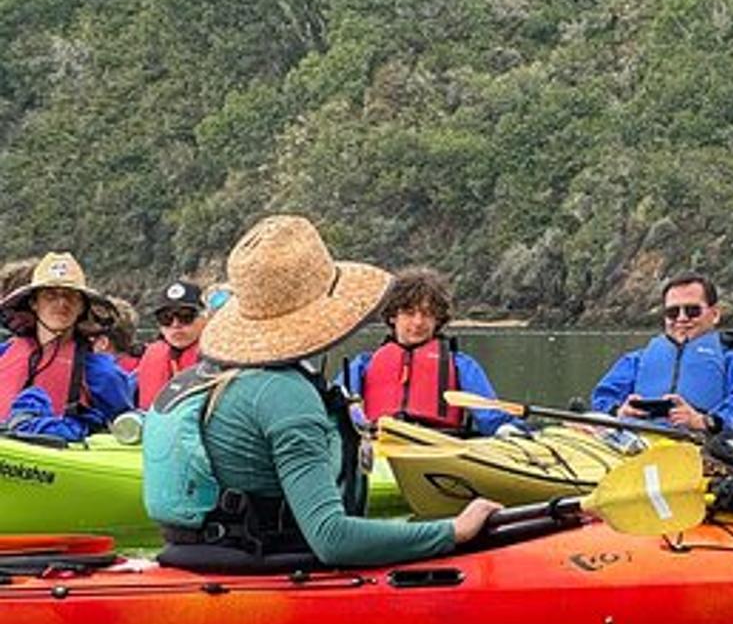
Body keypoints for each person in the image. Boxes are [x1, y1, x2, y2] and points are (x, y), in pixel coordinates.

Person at [144, 215, 500, 566]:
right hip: (258, 561)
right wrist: (454, 530)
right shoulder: (286, 395)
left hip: (196, 553)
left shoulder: (208, 376)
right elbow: (332, 539)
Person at [342, 268, 520, 436]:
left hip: (437, 446)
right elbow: (334, 411)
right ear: (393, 316)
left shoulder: (461, 365)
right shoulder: (363, 366)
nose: (418, 322)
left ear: (438, 320)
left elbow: (491, 418)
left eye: (427, 314)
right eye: (409, 313)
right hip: (379, 443)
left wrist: (508, 430)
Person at [589, 273, 733, 435]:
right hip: (639, 444)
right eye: (673, 312)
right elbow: (603, 397)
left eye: (692, 311)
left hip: (703, 447)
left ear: (715, 314)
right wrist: (619, 411)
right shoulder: (634, 361)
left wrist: (702, 421)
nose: (681, 318)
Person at [0, 252, 135, 441]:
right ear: (33, 303)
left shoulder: (103, 373)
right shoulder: (4, 355)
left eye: (70, 296)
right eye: (50, 295)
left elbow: (127, 427)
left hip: (58, 463)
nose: (61, 303)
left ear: (81, 307)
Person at [134, 279, 210, 407]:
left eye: (186, 316)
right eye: (166, 318)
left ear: (204, 317)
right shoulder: (152, 356)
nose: (176, 324)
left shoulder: (222, 359)